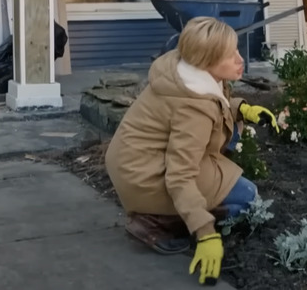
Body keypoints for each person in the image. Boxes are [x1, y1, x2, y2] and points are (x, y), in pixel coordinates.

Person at [105, 16, 279, 285]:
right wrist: (205, 232)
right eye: (229, 55)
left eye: (236, 49)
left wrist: (242, 109)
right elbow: (179, 176)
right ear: (207, 61)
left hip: (134, 162)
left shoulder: (187, 74)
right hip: (146, 176)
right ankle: (157, 224)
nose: (239, 58)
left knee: (236, 187)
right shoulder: (193, 111)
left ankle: (164, 213)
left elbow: (215, 102)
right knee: (248, 199)